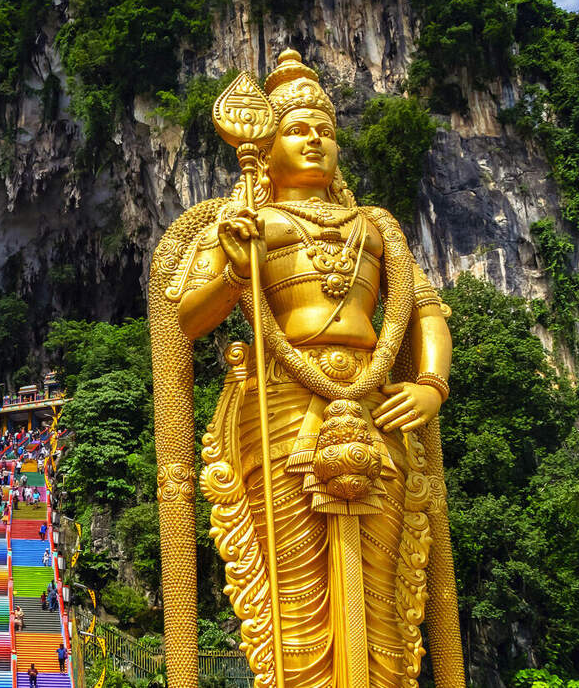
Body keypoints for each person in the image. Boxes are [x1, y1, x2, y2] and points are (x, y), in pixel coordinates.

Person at [150, 49, 462, 684]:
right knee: (293, 592)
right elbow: (183, 318)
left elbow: (426, 309)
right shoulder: (248, 221)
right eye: (297, 128)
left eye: (325, 129)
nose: (315, 139)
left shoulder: (376, 226)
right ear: (265, 147)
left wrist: (431, 382)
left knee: (385, 591)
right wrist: (236, 268)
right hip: (283, 403)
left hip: (377, 406)